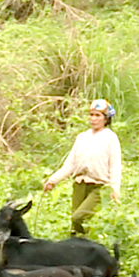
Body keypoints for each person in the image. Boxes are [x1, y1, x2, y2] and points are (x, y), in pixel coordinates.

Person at [43, 99, 122, 236]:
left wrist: (114, 189)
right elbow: (70, 165)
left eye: (98, 115)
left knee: (79, 217)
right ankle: (78, 250)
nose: (93, 119)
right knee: (76, 226)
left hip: (99, 186)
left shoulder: (110, 138)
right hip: (80, 185)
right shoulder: (82, 137)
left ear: (106, 119)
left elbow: (115, 166)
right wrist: (52, 180)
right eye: (91, 115)